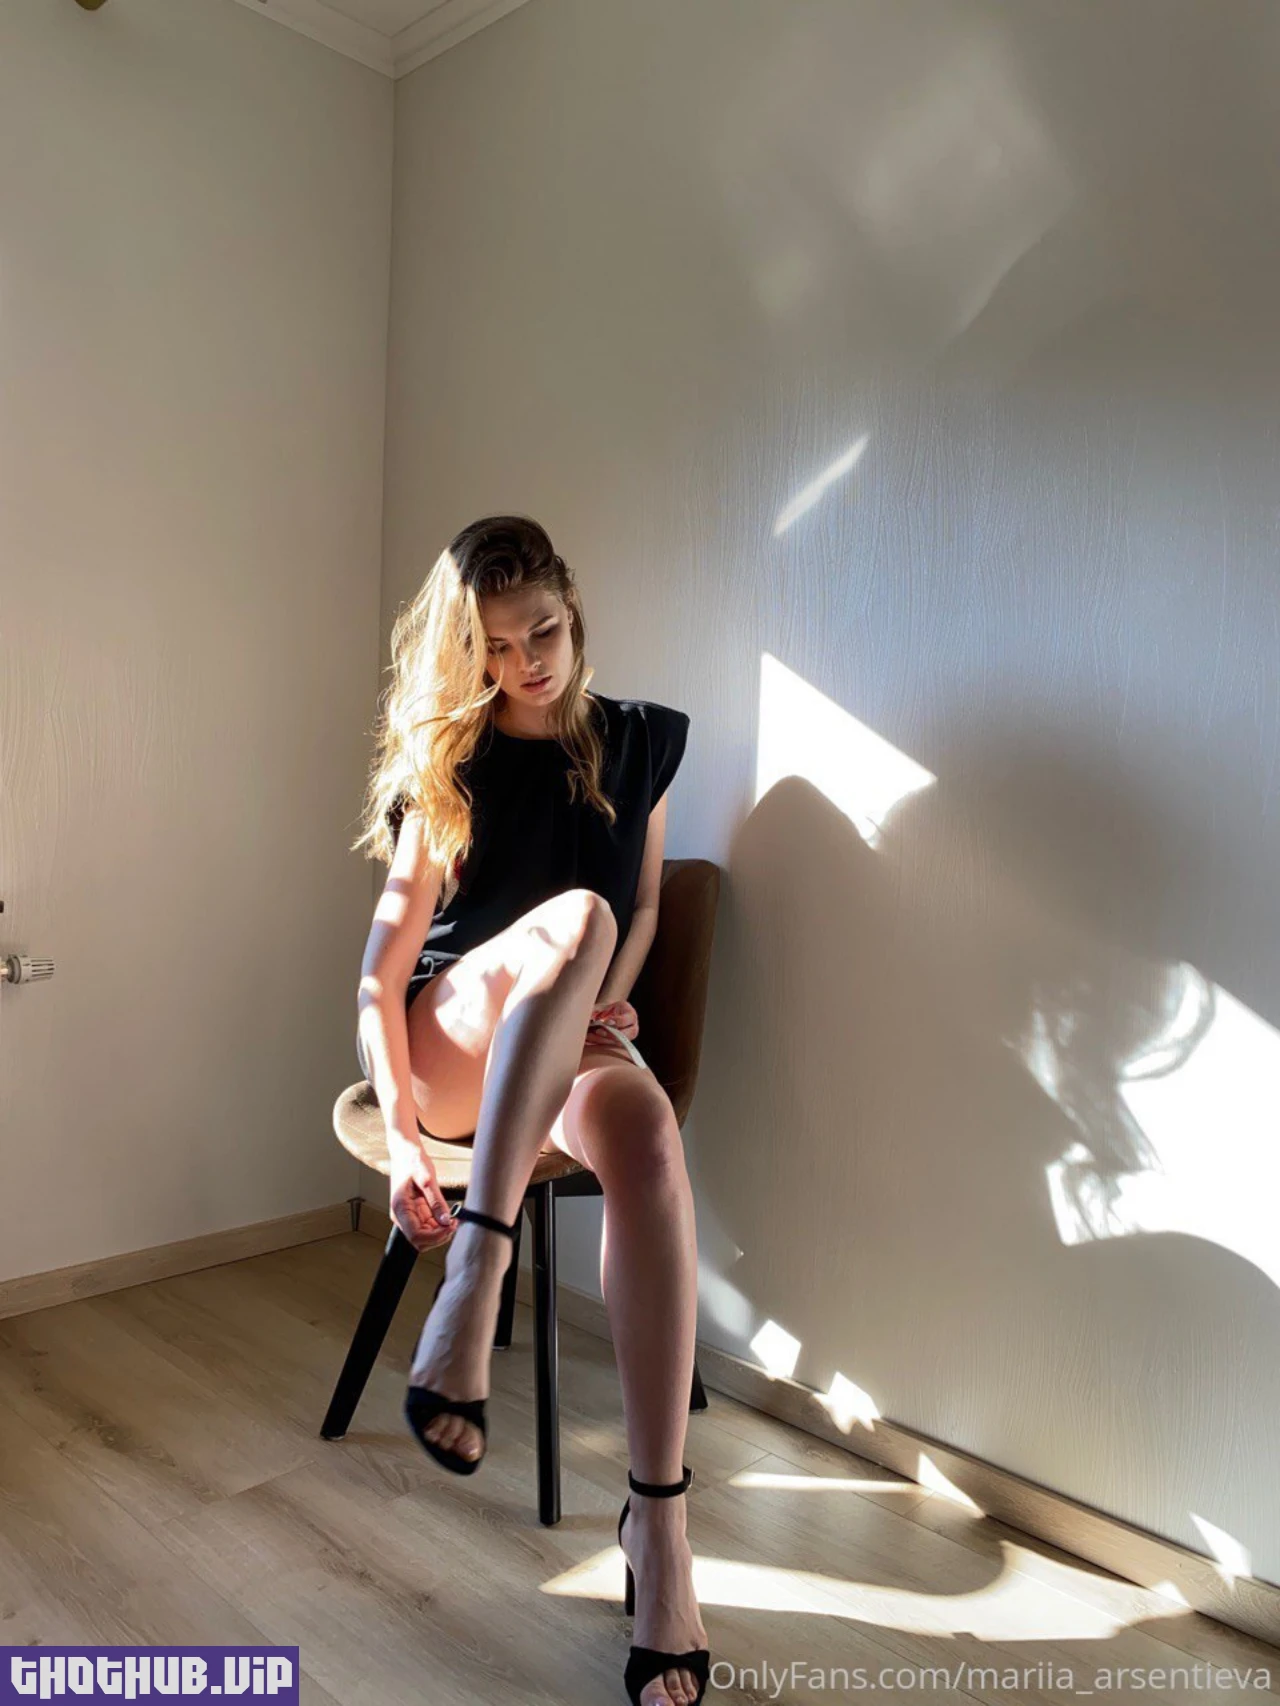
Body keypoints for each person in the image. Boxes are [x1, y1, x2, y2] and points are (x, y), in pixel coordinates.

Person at [351, 515, 709, 1706]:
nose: (524, 663)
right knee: (577, 917)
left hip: (569, 1031)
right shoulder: (446, 766)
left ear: (572, 609)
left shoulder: (641, 741)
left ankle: (657, 1527)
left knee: (646, 1134)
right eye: (494, 648)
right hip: (451, 1044)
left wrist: (604, 999)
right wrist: (403, 1140)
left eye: (540, 632)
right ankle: (478, 1267)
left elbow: (643, 904)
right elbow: (377, 979)